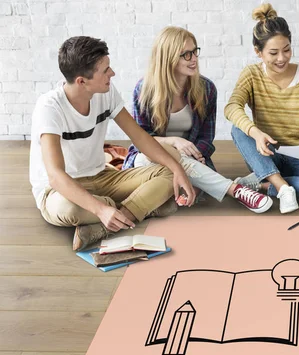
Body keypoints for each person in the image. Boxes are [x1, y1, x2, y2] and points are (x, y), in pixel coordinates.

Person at [29, 36, 195, 252]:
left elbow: (140, 137)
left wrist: (177, 168)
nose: (112, 73)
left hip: (103, 177)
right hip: (59, 189)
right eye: (105, 70)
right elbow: (56, 176)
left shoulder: (105, 93)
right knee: (67, 208)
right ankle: (137, 207)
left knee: (170, 172)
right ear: (82, 81)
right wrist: (100, 208)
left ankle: (108, 223)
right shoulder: (49, 108)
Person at [123, 27, 272, 214]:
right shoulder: (144, 90)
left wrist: (196, 155)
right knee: (149, 160)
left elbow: (206, 138)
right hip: (150, 158)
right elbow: (140, 139)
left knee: (182, 195)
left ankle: (168, 195)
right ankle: (235, 190)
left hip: (193, 161)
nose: (193, 58)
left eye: (194, 51)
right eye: (186, 54)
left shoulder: (207, 89)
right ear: (167, 58)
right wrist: (174, 141)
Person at [224, 3, 299, 214]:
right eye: (273, 53)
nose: (282, 58)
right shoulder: (252, 75)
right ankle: (282, 188)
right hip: (267, 153)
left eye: (287, 50)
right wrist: (255, 133)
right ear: (258, 52)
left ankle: (262, 183)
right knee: (238, 129)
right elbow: (232, 107)